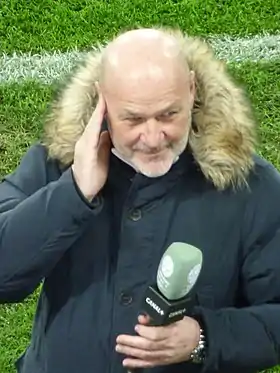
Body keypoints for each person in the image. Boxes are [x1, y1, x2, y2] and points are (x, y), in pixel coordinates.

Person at [0, 27, 280, 373]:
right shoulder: (58, 161)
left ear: (191, 90)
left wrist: (204, 337)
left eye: (168, 115)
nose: (152, 138)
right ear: (102, 101)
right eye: (133, 119)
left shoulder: (251, 185)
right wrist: (73, 192)